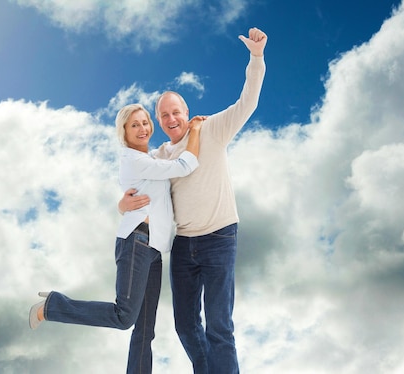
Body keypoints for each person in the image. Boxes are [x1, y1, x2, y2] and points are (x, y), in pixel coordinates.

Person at [118, 27, 267, 373]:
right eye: (165, 115)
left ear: (187, 112)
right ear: (159, 121)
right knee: (185, 325)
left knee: (219, 327)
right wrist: (122, 205)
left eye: (176, 112)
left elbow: (249, 101)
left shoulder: (214, 128)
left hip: (219, 238)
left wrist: (256, 58)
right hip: (184, 246)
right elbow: (136, 189)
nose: (172, 120)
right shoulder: (160, 155)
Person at [29, 103, 205, 373]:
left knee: (145, 329)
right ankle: (53, 307)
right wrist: (195, 130)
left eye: (145, 122)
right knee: (124, 317)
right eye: (134, 125)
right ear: (124, 131)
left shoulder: (152, 160)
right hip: (136, 243)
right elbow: (185, 165)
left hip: (153, 248)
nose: (142, 128)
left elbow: (165, 172)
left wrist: (120, 206)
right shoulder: (134, 160)